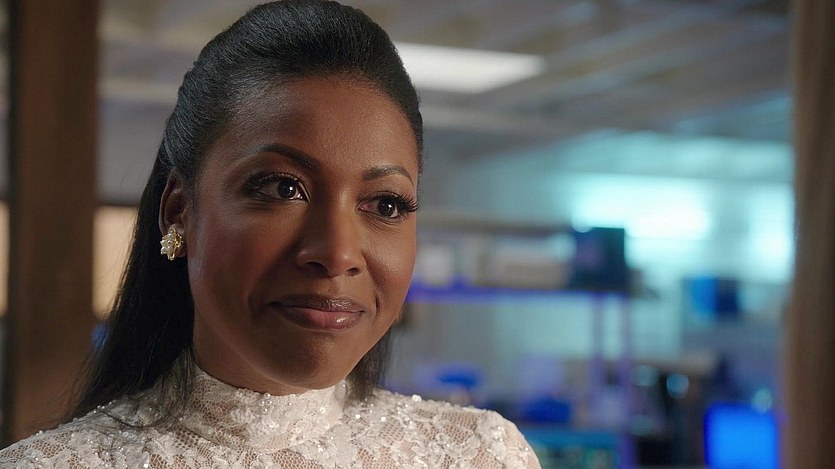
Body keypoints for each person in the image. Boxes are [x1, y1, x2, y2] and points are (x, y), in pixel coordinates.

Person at [0, 1, 541, 467]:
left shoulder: (481, 454)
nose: (337, 253)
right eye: (284, 188)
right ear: (178, 212)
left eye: (385, 204)